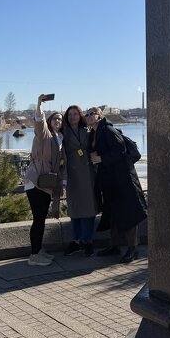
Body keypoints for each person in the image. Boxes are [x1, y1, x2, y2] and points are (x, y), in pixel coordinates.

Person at [87, 107, 147, 263]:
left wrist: (101, 158)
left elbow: (120, 150)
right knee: (112, 212)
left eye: (92, 113)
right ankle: (115, 245)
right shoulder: (94, 132)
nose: (89, 116)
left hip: (122, 178)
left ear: (99, 116)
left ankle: (133, 249)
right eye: (87, 114)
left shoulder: (107, 129)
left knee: (128, 212)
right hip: (110, 178)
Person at [22, 95, 66, 266]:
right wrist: (39, 104)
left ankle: (39, 250)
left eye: (60, 119)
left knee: (40, 218)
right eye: (55, 118)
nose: (58, 121)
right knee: (38, 218)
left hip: (46, 183)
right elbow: (39, 122)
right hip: (36, 181)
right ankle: (33, 256)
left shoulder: (58, 138)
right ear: (50, 120)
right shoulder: (45, 133)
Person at [61, 105, 98, 257]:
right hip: (71, 174)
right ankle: (76, 241)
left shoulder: (88, 130)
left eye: (75, 114)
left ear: (80, 115)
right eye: (70, 114)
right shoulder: (63, 132)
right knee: (75, 208)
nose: (72, 117)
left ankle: (87, 241)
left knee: (89, 207)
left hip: (88, 173)